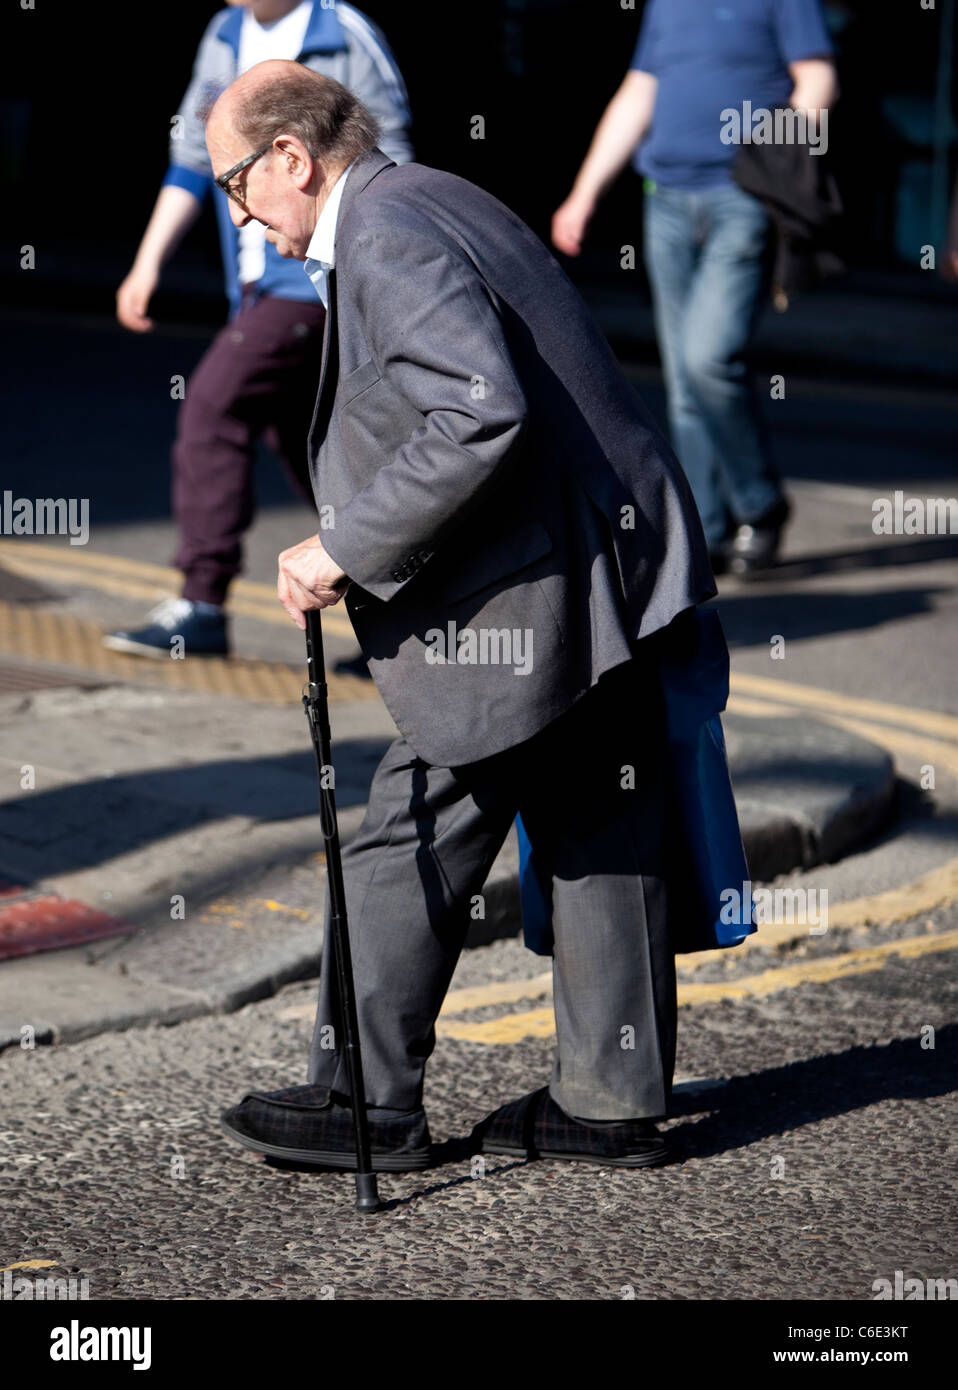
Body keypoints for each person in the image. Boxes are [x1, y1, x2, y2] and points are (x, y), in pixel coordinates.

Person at [212, 60, 721, 1171]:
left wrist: (342, 546)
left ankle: (365, 1104)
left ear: (291, 158)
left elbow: (476, 409)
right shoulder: (435, 193)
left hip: (545, 581)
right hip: (604, 554)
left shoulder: (387, 233)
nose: (242, 218)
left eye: (237, 187)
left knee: (409, 816)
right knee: (600, 815)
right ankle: (608, 1102)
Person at [105, 1, 412, 658]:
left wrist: (364, 282)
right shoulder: (225, 34)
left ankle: (202, 601)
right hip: (249, 287)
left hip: (307, 282)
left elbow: (393, 166)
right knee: (316, 449)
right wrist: (147, 263)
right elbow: (193, 159)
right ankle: (401, 598)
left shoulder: (344, 34)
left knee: (212, 407)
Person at [552, 0, 838, 575]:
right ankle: (704, 529)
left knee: (709, 360)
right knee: (684, 379)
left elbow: (817, 79)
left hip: (742, 200)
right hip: (667, 202)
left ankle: (760, 502)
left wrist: (777, 164)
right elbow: (639, 91)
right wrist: (585, 192)